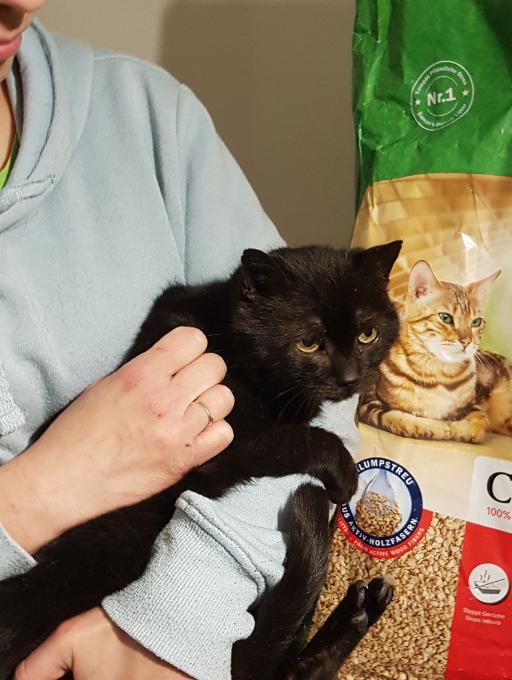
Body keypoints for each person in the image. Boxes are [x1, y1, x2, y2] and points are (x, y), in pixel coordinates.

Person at [0, 2, 357, 679]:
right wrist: (49, 485)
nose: (23, 4)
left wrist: (172, 622)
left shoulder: (143, 114)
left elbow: (323, 412)